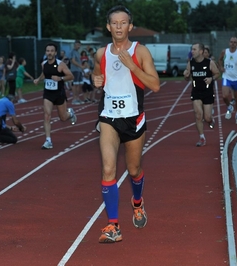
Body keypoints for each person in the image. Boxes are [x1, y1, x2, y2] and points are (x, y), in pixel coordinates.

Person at [92, 5, 160, 243]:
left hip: (134, 119)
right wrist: (96, 80)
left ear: (130, 27)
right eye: (114, 23)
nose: (119, 27)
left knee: (134, 170)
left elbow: (155, 85)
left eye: (123, 23)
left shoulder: (140, 52)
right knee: (108, 169)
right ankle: (113, 226)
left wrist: (133, 67)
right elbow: (96, 76)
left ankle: (138, 202)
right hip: (109, 118)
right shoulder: (101, 53)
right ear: (108, 27)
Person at [34, 43, 77, 150]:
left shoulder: (60, 64)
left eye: (51, 51)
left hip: (59, 93)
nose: (49, 53)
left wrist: (60, 78)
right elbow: (44, 73)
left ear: (55, 53)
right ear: (45, 52)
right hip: (48, 93)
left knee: (63, 118)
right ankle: (48, 140)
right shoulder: (44, 64)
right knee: (47, 115)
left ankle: (70, 114)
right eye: (48, 51)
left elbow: (71, 76)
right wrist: (38, 79)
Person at [184, 43, 220, 147]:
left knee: (207, 117)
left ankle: (210, 120)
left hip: (207, 92)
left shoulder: (209, 63)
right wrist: (186, 75)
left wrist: (211, 79)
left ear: (201, 51)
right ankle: (202, 137)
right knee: (198, 115)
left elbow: (217, 73)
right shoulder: (191, 63)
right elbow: (187, 76)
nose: (192, 51)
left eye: (194, 49)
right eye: (192, 49)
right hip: (196, 92)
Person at [218, 37, 237, 124]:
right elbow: (219, 60)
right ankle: (229, 107)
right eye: (231, 42)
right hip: (227, 77)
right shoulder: (224, 51)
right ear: (229, 43)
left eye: (235, 42)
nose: (233, 44)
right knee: (225, 96)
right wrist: (221, 67)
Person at [70, 40, 85, 105]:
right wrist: (80, 66)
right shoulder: (73, 52)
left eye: (79, 45)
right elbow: (73, 61)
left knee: (79, 85)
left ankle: (77, 98)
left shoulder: (77, 52)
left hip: (79, 70)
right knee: (75, 85)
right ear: (74, 45)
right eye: (77, 45)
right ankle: (74, 99)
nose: (78, 46)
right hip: (75, 70)